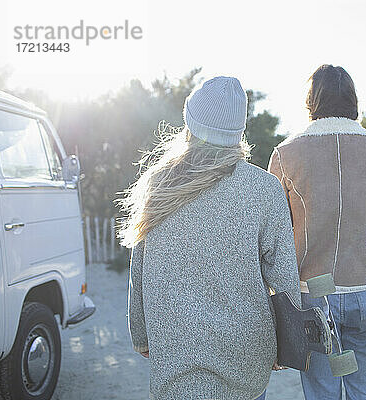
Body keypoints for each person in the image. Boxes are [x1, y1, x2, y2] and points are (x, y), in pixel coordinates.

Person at [119, 76, 301, 400]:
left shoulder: (156, 185)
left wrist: (141, 335)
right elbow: (284, 274)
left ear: (189, 123)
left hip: (176, 355)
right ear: (239, 132)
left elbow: (139, 269)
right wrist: (288, 343)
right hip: (247, 354)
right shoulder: (265, 188)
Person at [268, 65, 366, 400]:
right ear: (354, 101)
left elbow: (275, 241)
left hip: (312, 298)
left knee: (321, 393)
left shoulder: (286, 154)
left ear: (310, 101)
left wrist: (273, 305)